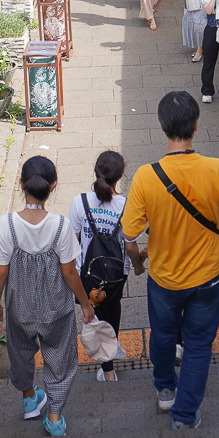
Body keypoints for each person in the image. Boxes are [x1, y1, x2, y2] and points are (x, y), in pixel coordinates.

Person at [122, 91, 219, 429]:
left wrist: (137, 264)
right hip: (210, 275)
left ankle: (165, 391)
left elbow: (130, 236)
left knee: (162, 336)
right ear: (196, 125)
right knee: (198, 343)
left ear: (162, 127)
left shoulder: (147, 177)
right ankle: (185, 413)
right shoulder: (218, 170)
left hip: (164, 278)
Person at [0, 156, 95, 437]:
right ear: (53, 186)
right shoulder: (61, 226)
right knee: (60, 357)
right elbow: (70, 272)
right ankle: (55, 417)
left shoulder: (6, 224)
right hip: (56, 308)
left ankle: (28, 399)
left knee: (20, 351)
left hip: (19, 305)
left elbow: (0, 271)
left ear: (20, 184)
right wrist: (85, 304)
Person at [69, 152, 146, 382]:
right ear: (121, 175)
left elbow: (73, 242)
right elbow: (132, 245)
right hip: (115, 274)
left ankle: (108, 368)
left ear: (96, 172)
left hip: (88, 273)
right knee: (112, 308)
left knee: (96, 312)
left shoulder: (79, 202)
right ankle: (110, 359)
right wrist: (139, 264)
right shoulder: (126, 205)